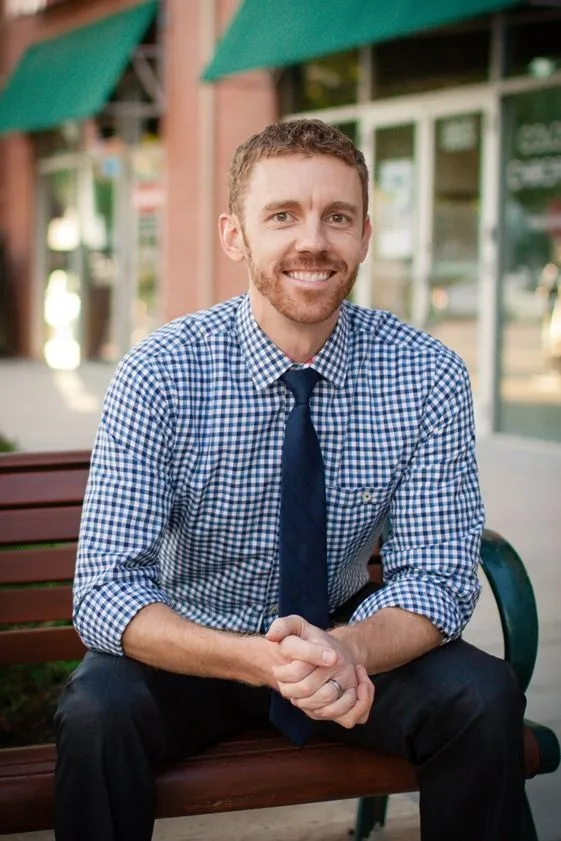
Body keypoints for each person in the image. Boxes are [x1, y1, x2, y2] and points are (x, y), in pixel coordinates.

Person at [54, 119, 525, 841]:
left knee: (481, 697)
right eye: (282, 215)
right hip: (195, 646)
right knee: (96, 714)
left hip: (342, 642)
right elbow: (106, 590)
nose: (313, 241)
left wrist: (347, 650)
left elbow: (436, 576)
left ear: (364, 236)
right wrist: (257, 661)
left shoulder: (427, 374)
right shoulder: (160, 374)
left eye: (336, 216)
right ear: (234, 235)